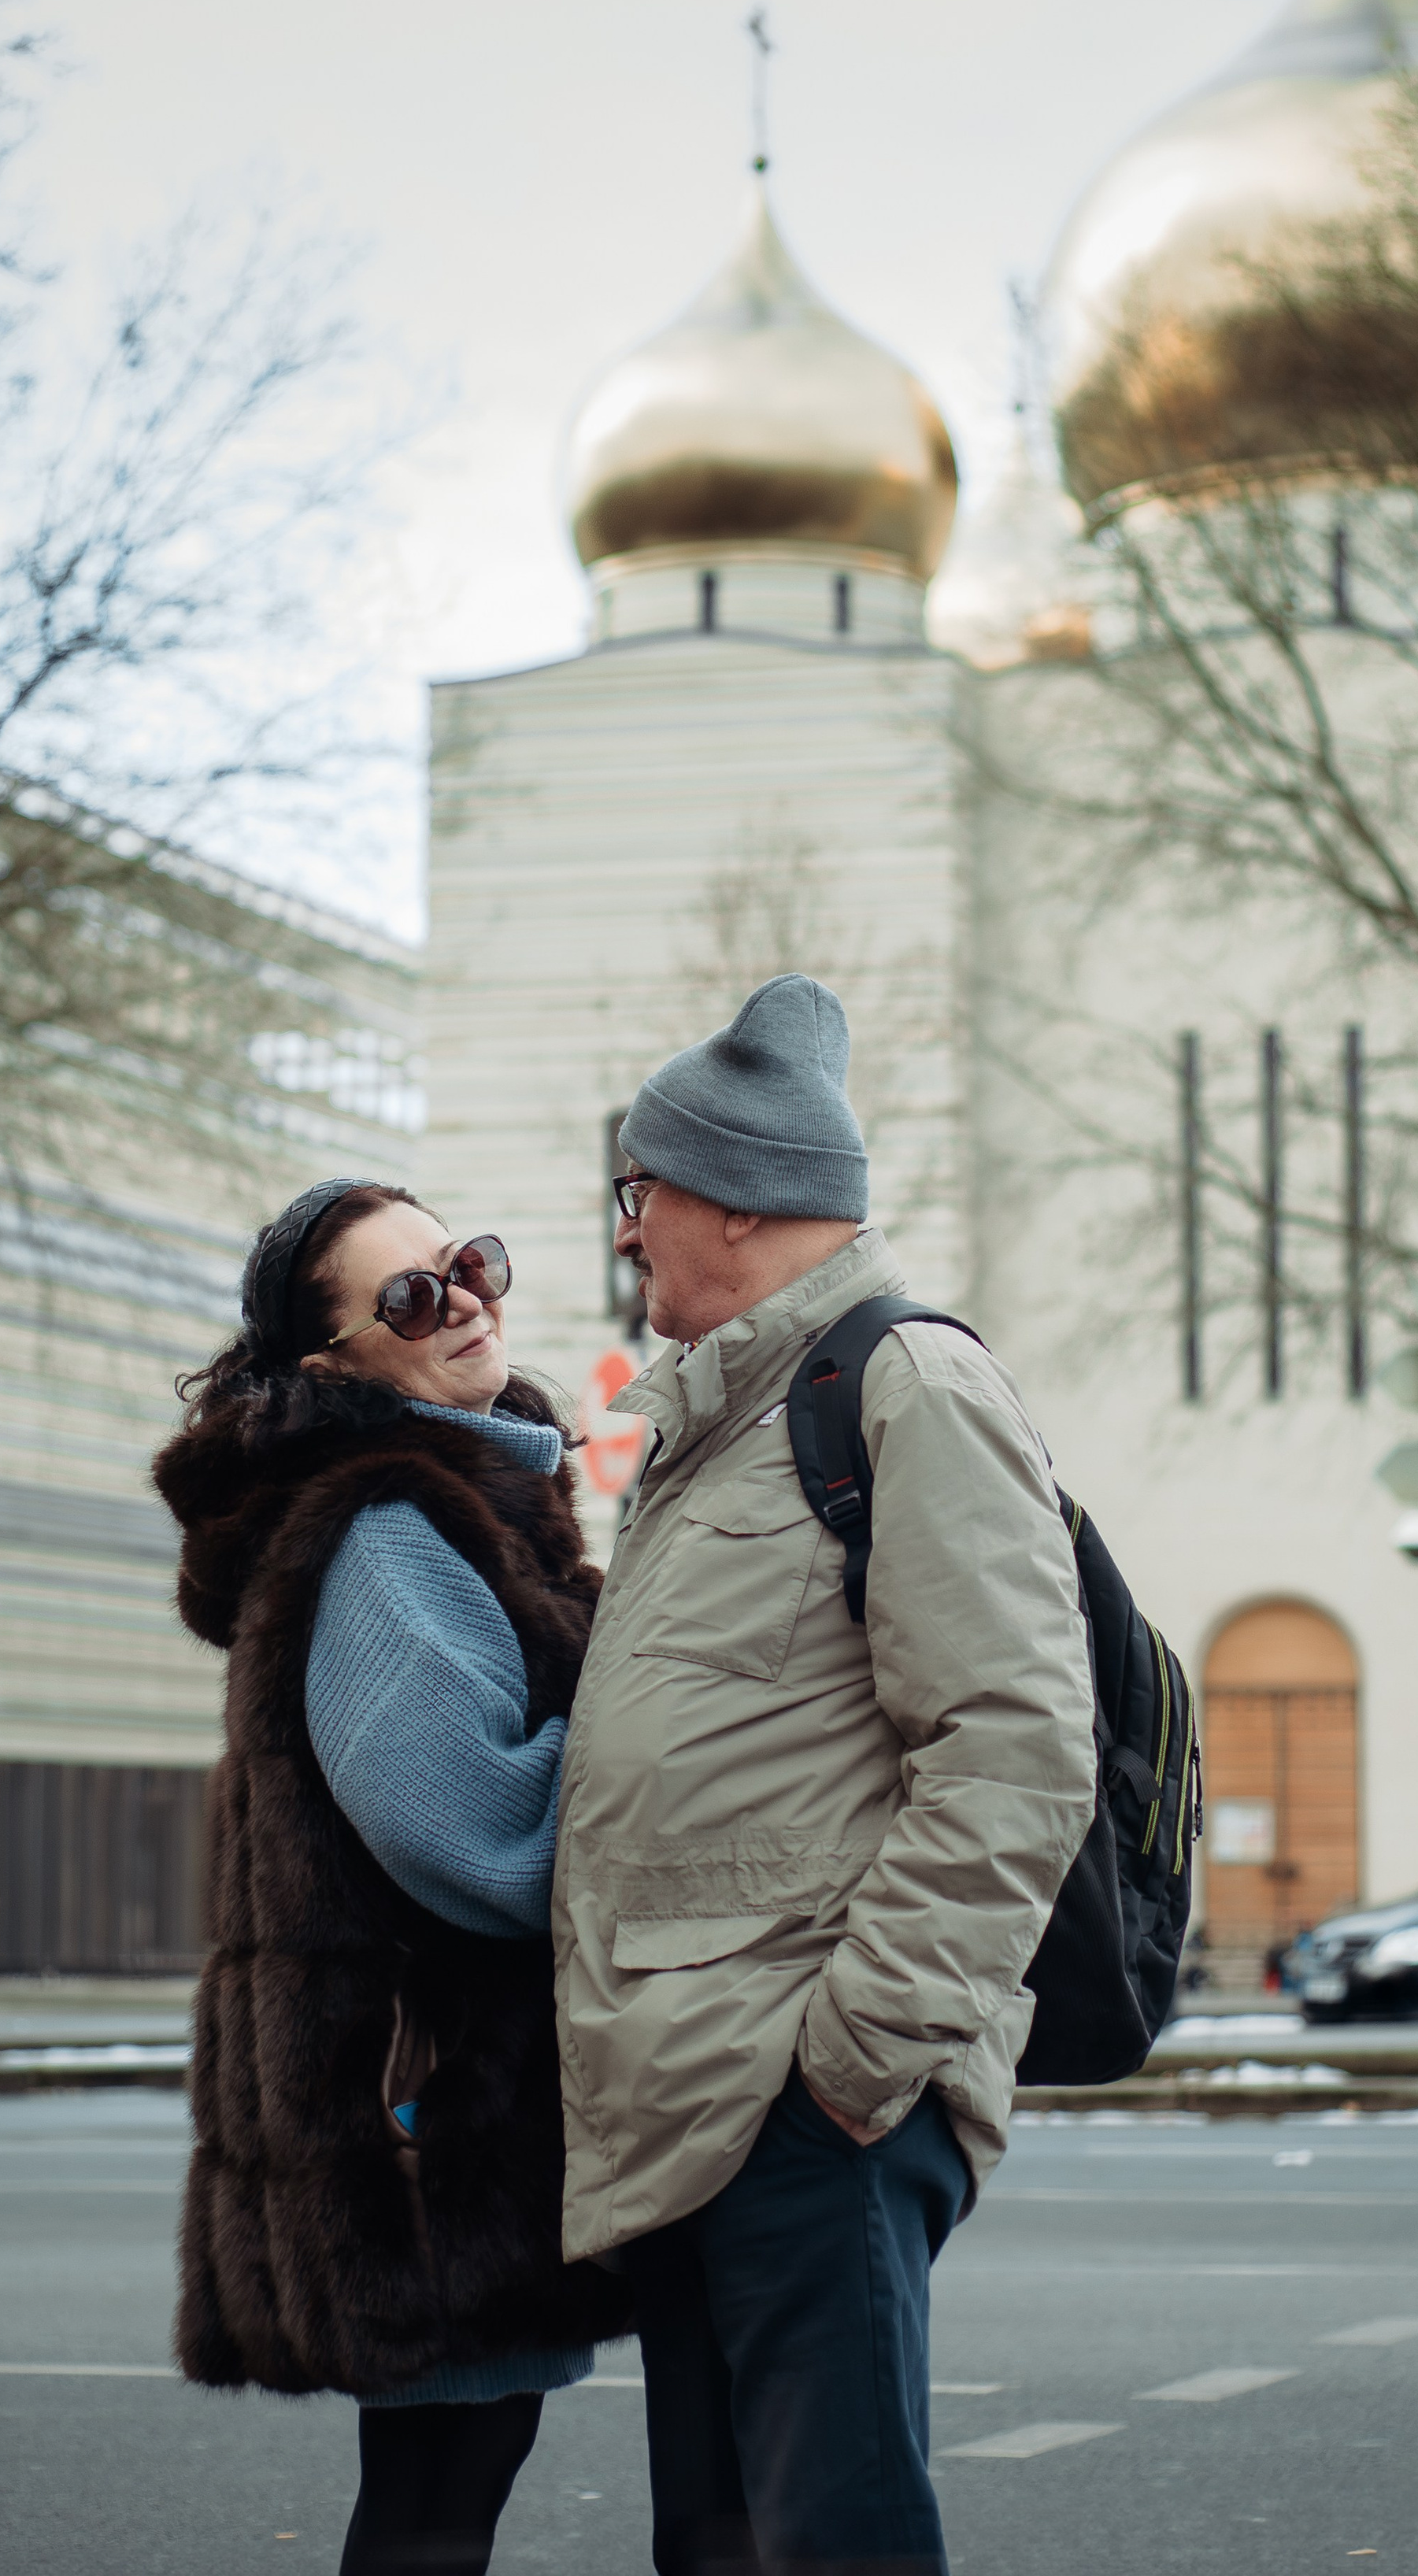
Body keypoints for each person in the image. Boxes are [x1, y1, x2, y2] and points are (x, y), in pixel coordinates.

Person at [554, 975, 1098, 2576]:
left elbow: (1012, 1747)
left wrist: (849, 2062)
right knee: (721, 2548)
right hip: (697, 2098)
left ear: (727, 1198)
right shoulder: (717, 1421)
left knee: (832, 2545)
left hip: (802, 2104)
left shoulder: (901, 1386)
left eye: (637, 1195)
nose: (628, 1231)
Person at [154, 1179, 631, 2576]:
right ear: (334, 1363)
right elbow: (463, 1821)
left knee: (444, 2490)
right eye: (414, 1296)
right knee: (438, 2498)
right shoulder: (386, 1530)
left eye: (467, 1263)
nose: (467, 1298)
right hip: (427, 2120)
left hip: (437, 2111)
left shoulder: (467, 1496)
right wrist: (665, 1788)